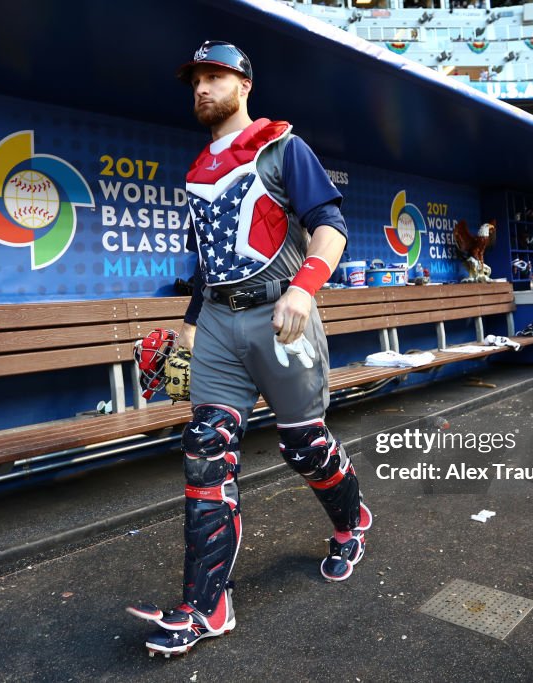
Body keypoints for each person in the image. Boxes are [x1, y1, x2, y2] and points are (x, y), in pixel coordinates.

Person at [126, 41, 371, 657]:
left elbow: (331, 227)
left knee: (304, 444)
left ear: (244, 84)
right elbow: (209, 262)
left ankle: (351, 523)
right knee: (205, 452)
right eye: (196, 80)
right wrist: (189, 326)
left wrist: (305, 290)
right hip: (219, 322)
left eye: (215, 77)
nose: (202, 88)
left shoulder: (283, 148)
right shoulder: (197, 169)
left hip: (280, 318)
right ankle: (206, 605)